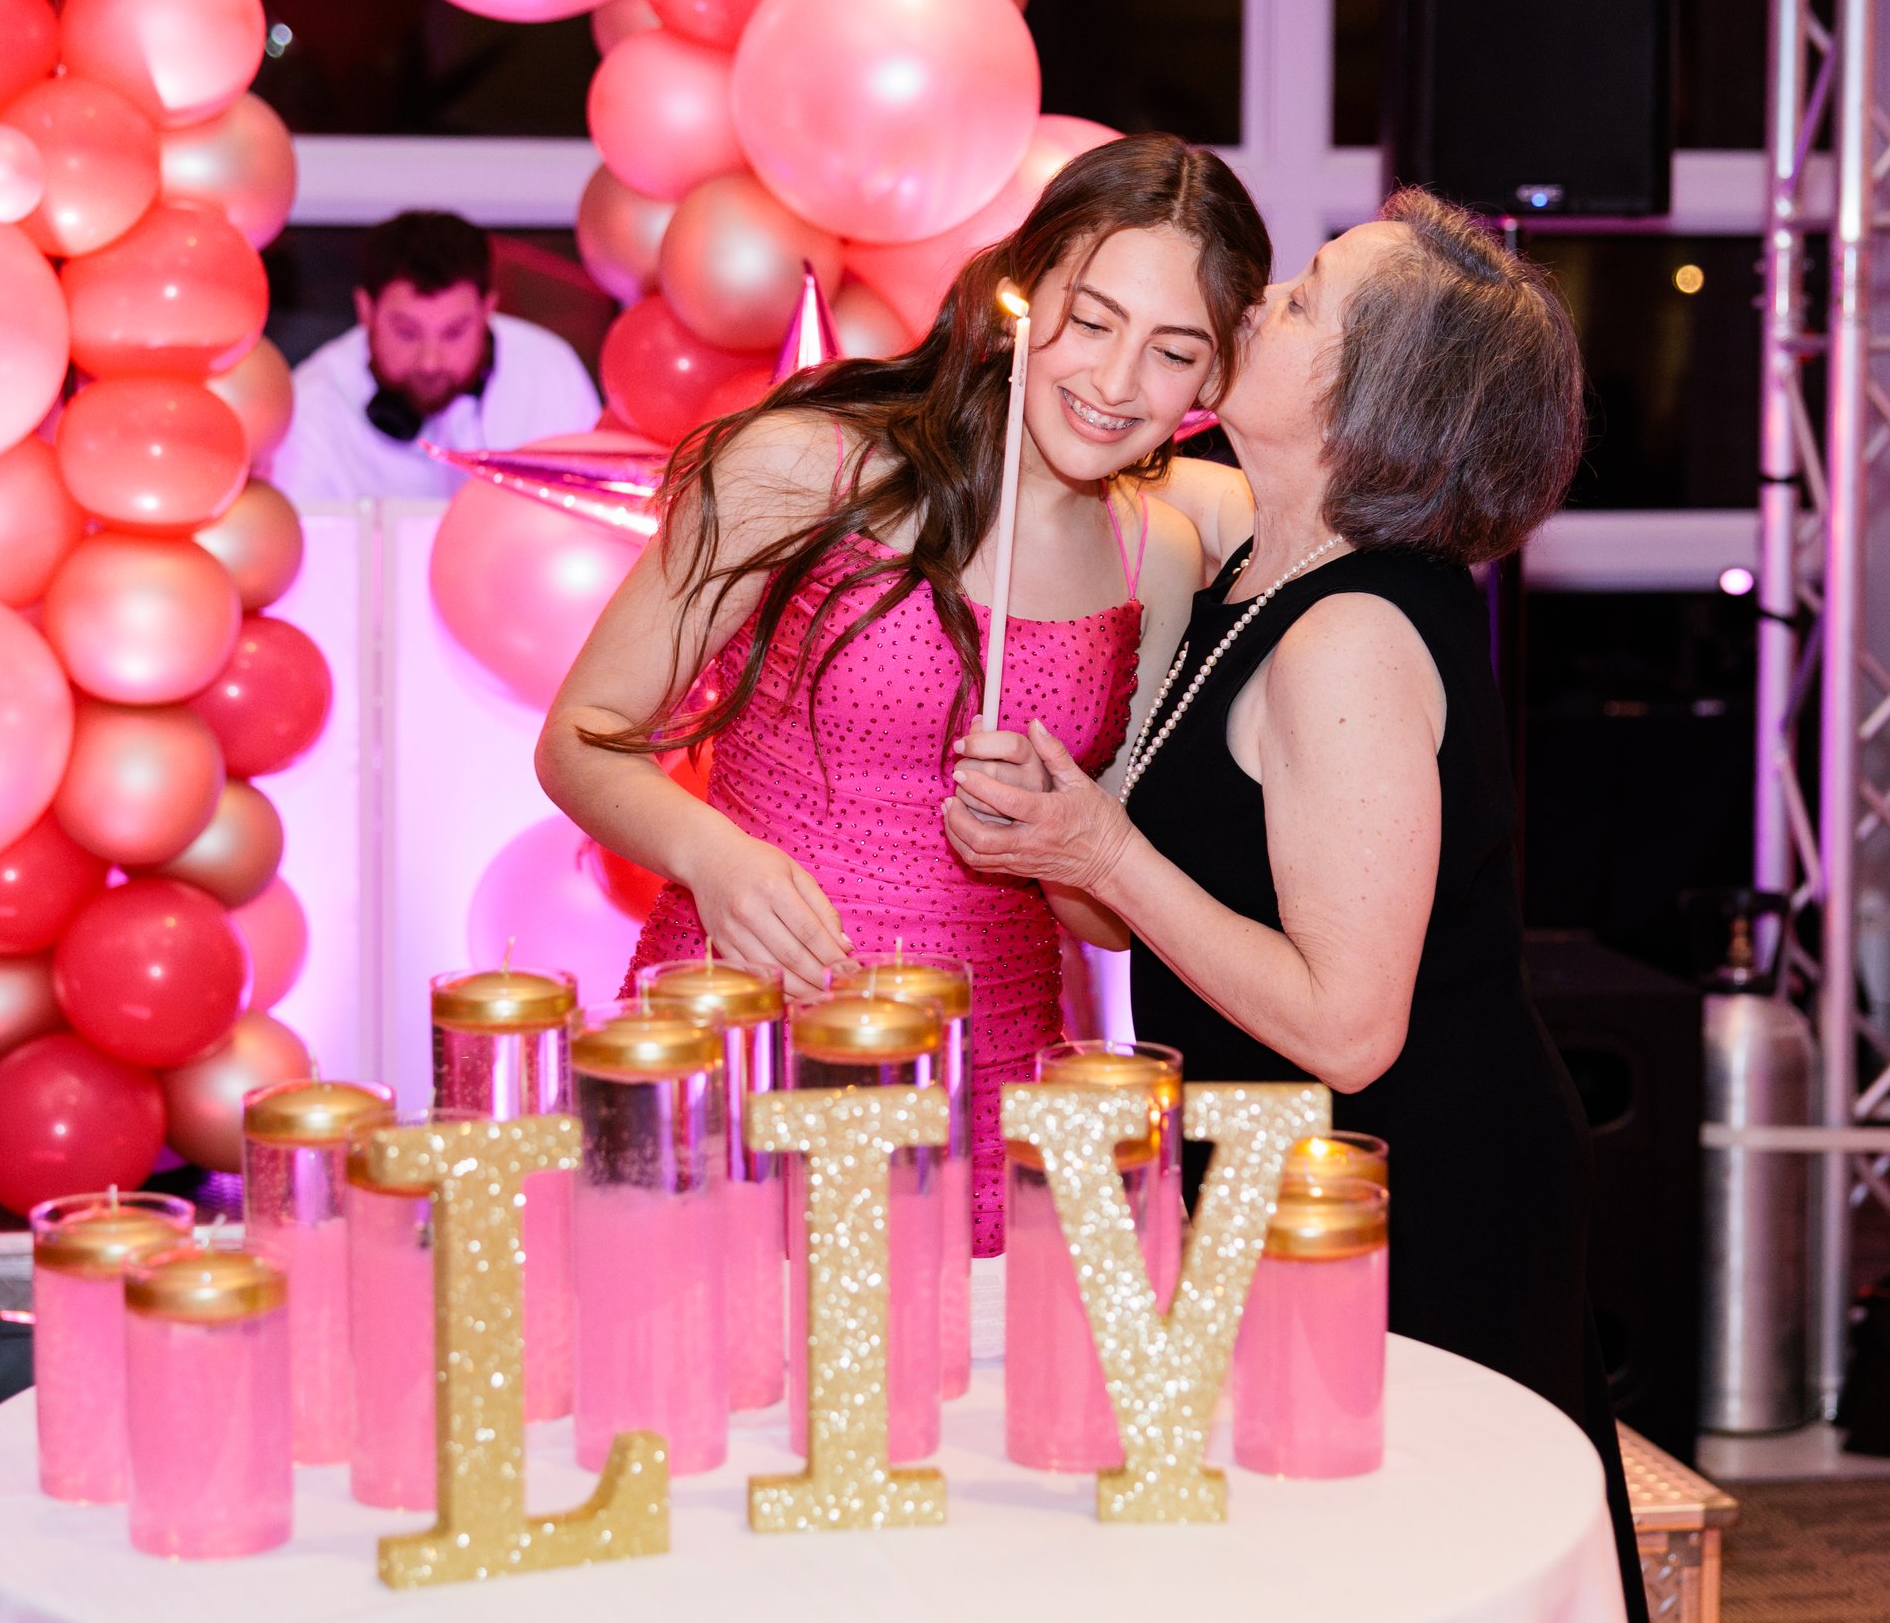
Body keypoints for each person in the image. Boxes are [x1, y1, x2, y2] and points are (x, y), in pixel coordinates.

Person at [942, 189, 1649, 1623]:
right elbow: (1171, 910)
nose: (1259, 309)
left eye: (1311, 299)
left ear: (1377, 397)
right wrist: (1059, 845)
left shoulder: (1356, 632)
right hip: (1277, 1176)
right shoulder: (1262, 574)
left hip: (1408, 1202)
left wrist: (1106, 849)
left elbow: (1348, 1021)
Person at [537, 135, 1270, 1254]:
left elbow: (1105, 919)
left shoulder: (1155, 558)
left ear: (1211, 379)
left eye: (1172, 351)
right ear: (1024, 295)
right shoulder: (806, 468)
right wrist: (712, 858)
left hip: (998, 1072)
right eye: (1092, 320)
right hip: (744, 1029)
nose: (1118, 384)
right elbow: (578, 740)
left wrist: (1061, 836)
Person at [270, 210, 601, 501]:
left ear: (488, 310)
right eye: (407, 332)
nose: (430, 362)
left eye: (454, 332)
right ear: (366, 311)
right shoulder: (310, 405)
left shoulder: (551, 373)